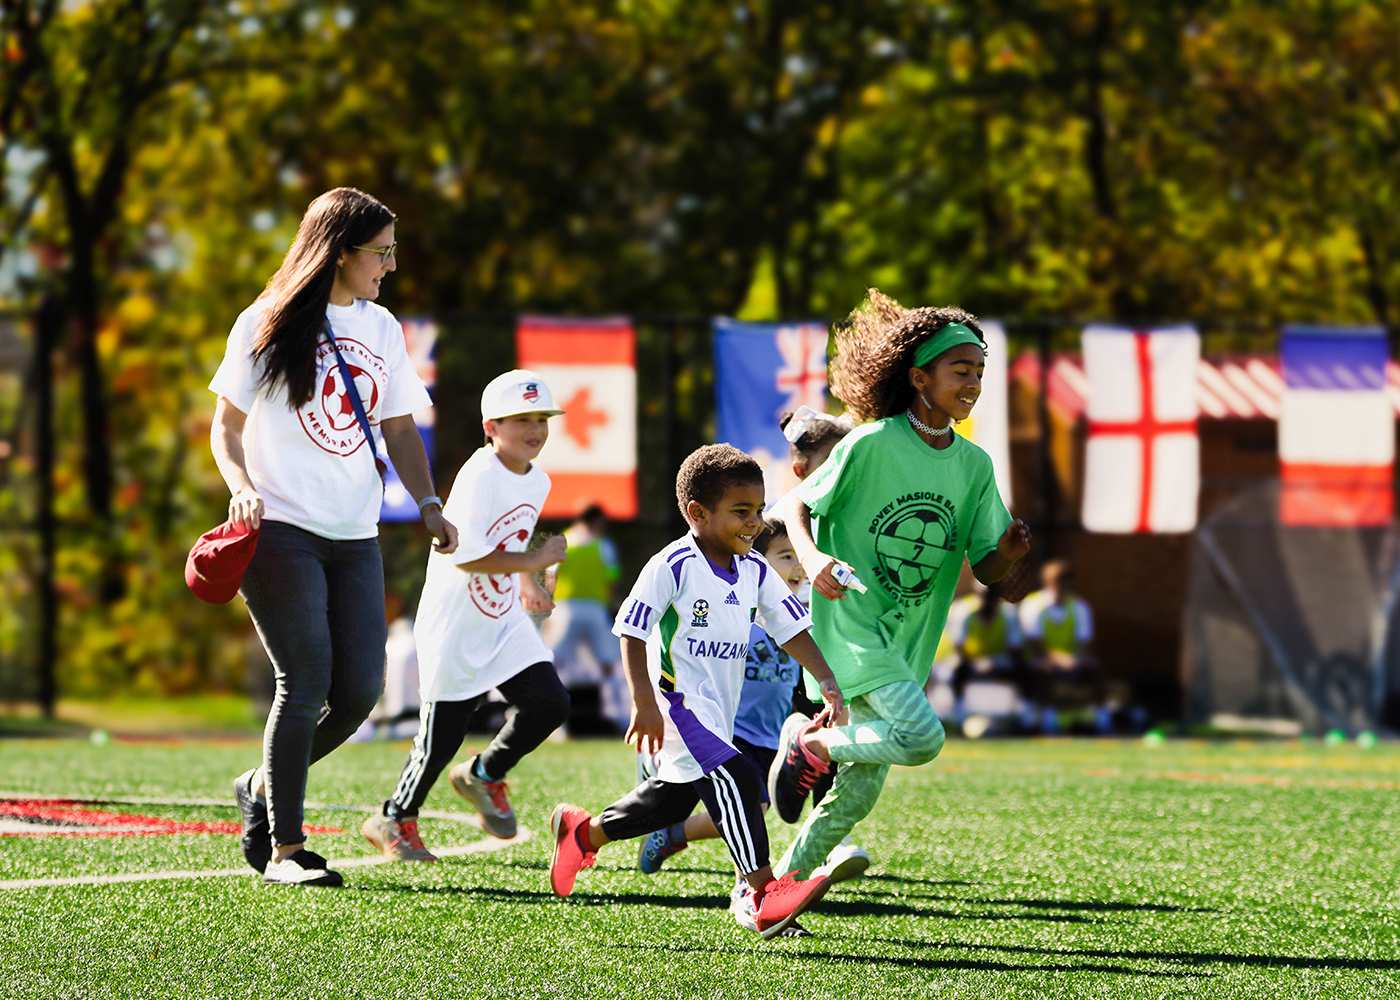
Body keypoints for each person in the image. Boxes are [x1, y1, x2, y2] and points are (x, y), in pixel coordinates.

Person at [213, 187, 458, 888]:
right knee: (307, 676)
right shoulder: (264, 320)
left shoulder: (382, 328)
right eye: (380, 251)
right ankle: (286, 851)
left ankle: (261, 783)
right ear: (340, 252)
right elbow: (225, 426)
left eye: (392, 251)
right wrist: (240, 484)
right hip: (279, 525)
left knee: (359, 691)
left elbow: (402, 427)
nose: (390, 264)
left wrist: (429, 502)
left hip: (355, 532)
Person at [769, 289, 1032, 888]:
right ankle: (810, 746)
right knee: (919, 738)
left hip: (908, 641)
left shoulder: (974, 466)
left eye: (980, 373)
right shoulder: (869, 443)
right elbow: (793, 506)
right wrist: (811, 562)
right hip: (851, 627)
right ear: (919, 377)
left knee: (856, 800)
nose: (973, 383)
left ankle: (769, 888)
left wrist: (1009, 552)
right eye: (960, 370)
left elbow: (987, 569)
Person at [547, 445, 845, 939]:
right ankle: (762, 893)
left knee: (670, 804)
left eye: (758, 510)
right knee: (741, 778)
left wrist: (828, 680)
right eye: (741, 513)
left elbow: (790, 629)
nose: (754, 524)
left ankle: (584, 834)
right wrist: (644, 703)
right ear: (697, 514)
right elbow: (632, 630)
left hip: (717, 709)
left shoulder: (753, 570)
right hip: (678, 706)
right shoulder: (674, 564)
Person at [361, 370, 573, 861]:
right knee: (441, 738)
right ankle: (393, 817)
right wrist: (536, 562)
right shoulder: (479, 475)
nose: (535, 428)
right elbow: (464, 555)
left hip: (501, 616)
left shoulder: (537, 480)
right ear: (490, 427)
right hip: (456, 622)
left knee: (551, 704)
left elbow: (511, 541)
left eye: (542, 418)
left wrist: (528, 584)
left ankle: (483, 774)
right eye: (521, 419)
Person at [633, 514, 857, 935]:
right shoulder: (737, 606)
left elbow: (798, 655)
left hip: (769, 731)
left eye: (797, 558)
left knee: (747, 807)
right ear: (757, 558)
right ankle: (752, 895)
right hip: (725, 727)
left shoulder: (793, 611)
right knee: (749, 803)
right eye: (784, 556)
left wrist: (825, 686)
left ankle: (670, 833)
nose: (794, 567)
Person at [544, 503, 627, 733]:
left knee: (554, 663)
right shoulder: (604, 545)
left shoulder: (564, 542)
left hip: (565, 608)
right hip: (593, 608)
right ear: (597, 520)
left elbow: (551, 578)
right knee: (610, 664)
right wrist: (611, 605)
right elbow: (612, 580)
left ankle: (554, 723)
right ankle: (621, 719)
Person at [1018, 559, 1107, 734]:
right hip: (1038, 661)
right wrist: (1060, 660)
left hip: (1071, 660)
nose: (1062, 585)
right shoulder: (1032, 605)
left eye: (1066, 580)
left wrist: (1077, 660)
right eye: (1057, 580)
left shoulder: (1079, 607)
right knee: (1047, 669)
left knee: (1095, 667)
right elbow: (1035, 645)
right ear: (1047, 582)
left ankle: (1101, 719)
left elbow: (1084, 643)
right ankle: (1049, 721)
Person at [946, 580, 1027, 725]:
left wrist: (993, 663)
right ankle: (959, 715)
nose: (985, 601)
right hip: (970, 661)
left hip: (999, 660)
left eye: (990, 596)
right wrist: (977, 663)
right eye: (982, 595)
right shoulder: (962, 611)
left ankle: (1025, 715)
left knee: (1025, 668)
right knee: (956, 668)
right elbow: (958, 649)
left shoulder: (1008, 613)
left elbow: (1015, 649)